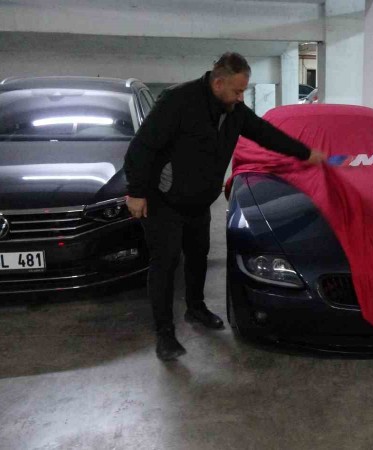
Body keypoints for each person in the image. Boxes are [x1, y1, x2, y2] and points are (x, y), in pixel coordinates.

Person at [124, 52, 325, 361]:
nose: (241, 97)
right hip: (164, 199)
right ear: (218, 83)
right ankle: (164, 334)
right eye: (237, 90)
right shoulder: (178, 101)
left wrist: (304, 153)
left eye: (243, 91)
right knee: (165, 262)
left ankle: (196, 308)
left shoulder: (233, 110)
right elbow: (142, 146)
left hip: (199, 201)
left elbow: (265, 133)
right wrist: (136, 192)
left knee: (198, 255)